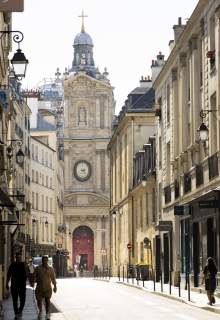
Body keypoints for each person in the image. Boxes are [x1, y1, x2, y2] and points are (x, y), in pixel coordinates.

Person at [34, 255, 57, 320]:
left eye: (46, 260)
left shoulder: (50, 269)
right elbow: (34, 276)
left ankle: (47, 314)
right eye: (44, 260)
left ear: (47, 261)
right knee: (39, 301)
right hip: (39, 288)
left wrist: (55, 286)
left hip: (48, 288)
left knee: (47, 301)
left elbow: (53, 278)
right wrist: (33, 282)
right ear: (42, 261)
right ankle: (40, 311)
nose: (45, 261)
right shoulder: (38, 268)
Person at [6, 252, 27, 318]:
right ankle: (16, 313)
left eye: (20, 257)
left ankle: (20, 310)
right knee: (15, 301)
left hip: (22, 286)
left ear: (21, 258)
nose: (19, 259)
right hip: (14, 286)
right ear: (15, 258)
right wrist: (7, 284)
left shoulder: (23, 265)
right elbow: (9, 275)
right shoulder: (12, 265)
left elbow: (27, 274)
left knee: (23, 300)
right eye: (17, 257)